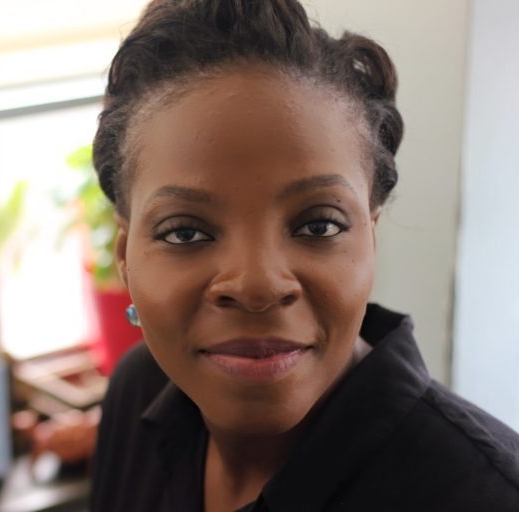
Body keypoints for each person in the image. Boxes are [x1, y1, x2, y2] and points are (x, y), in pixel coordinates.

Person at [88, 0, 519, 511]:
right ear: (125, 256)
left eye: (319, 225)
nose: (257, 285)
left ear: (371, 237)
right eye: (185, 233)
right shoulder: (138, 389)